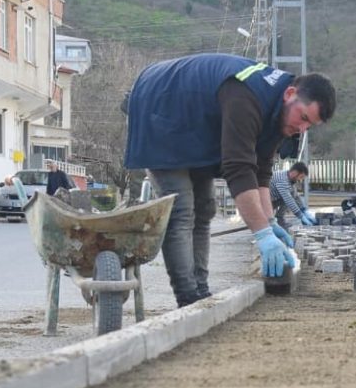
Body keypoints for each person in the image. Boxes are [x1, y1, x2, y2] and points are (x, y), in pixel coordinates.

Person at [123, 53, 336, 306]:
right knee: (182, 210)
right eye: (303, 118)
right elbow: (239, 169)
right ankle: (187, 297)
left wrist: (269, 223)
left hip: (196, 128)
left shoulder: (280, 115)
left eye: (309, 126)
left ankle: (200, 291)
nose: (302, 129)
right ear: (290, 94)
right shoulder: (247, 96)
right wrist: (262, 234)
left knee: (204, 209)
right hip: (162, 108)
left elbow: (261, 172)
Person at [269, 161, 317, 226]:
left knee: (291, 195)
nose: (300, 180)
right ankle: (276, 220)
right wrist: (301, 216)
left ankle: (279, 218)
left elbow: (295, 196)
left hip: (272, 200)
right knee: (266, 223)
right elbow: (289, 200)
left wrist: (303, 210)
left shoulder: (288, 178)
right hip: (265, 202)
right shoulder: (282, 180)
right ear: (295, 172)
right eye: (301, 177)